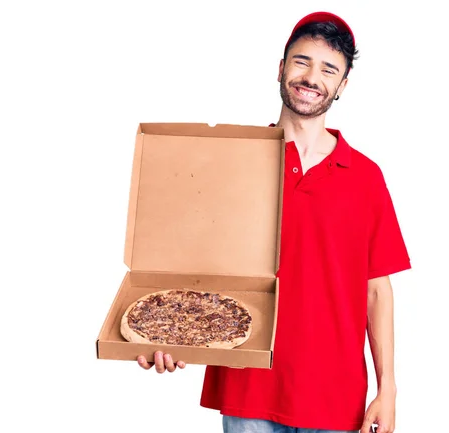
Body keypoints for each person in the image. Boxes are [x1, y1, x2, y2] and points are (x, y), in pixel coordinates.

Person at [136, 11, 411, 433]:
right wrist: (168, 338)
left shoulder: (366, 177)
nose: (312, 77)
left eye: (328, 69)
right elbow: (195, 264)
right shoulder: (234, 163)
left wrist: (388, 388)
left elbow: (377, 290)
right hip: (248, 390)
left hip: (335, 398)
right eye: (301, 62)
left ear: (342, 85)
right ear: (281, 69)